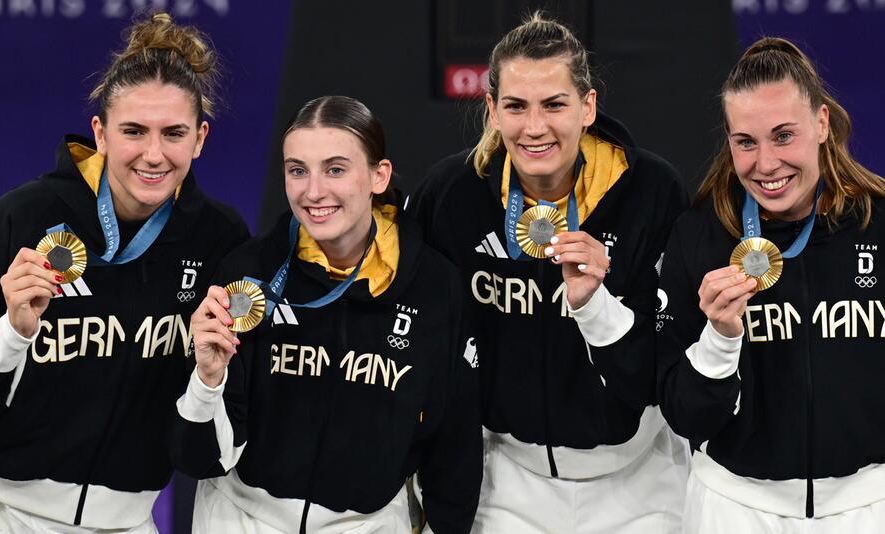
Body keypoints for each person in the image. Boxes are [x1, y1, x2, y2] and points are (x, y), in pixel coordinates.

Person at [0, 12, 249, 533]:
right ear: (100, 132)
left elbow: (211, 442)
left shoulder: (219, 239)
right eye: (133, 131)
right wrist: (10, 332)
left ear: (200, 138)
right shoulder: (25, 216)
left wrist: (208, 376)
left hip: (121, 521)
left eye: (173, 133)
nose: (154, 154)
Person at [409, 11, 689, 534]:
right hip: (504, 482)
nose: (534, 127)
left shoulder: (652, 191)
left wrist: (599, 308)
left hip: (640, 484)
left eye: (554, 105)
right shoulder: (451, 195)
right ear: (491, 109)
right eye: (515, 106)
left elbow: (668, 360)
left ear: (588, 107)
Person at [171, 95, 482, 533]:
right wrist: (207, 380)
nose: (313, 191)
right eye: (297, 170)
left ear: (379, 176)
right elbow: (199, 459)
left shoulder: (436, 288)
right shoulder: (247, 272)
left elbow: (454, 451)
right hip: (241, 520)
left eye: (335, 169)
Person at [657, 36, 885, 533]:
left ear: (822, 123)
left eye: (784, 136)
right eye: (746, 142)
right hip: (733, 509)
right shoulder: (698, 236)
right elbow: (684, 418)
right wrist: (718, 339)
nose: (765, 164)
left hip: (869, 509)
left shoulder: (878, 225)